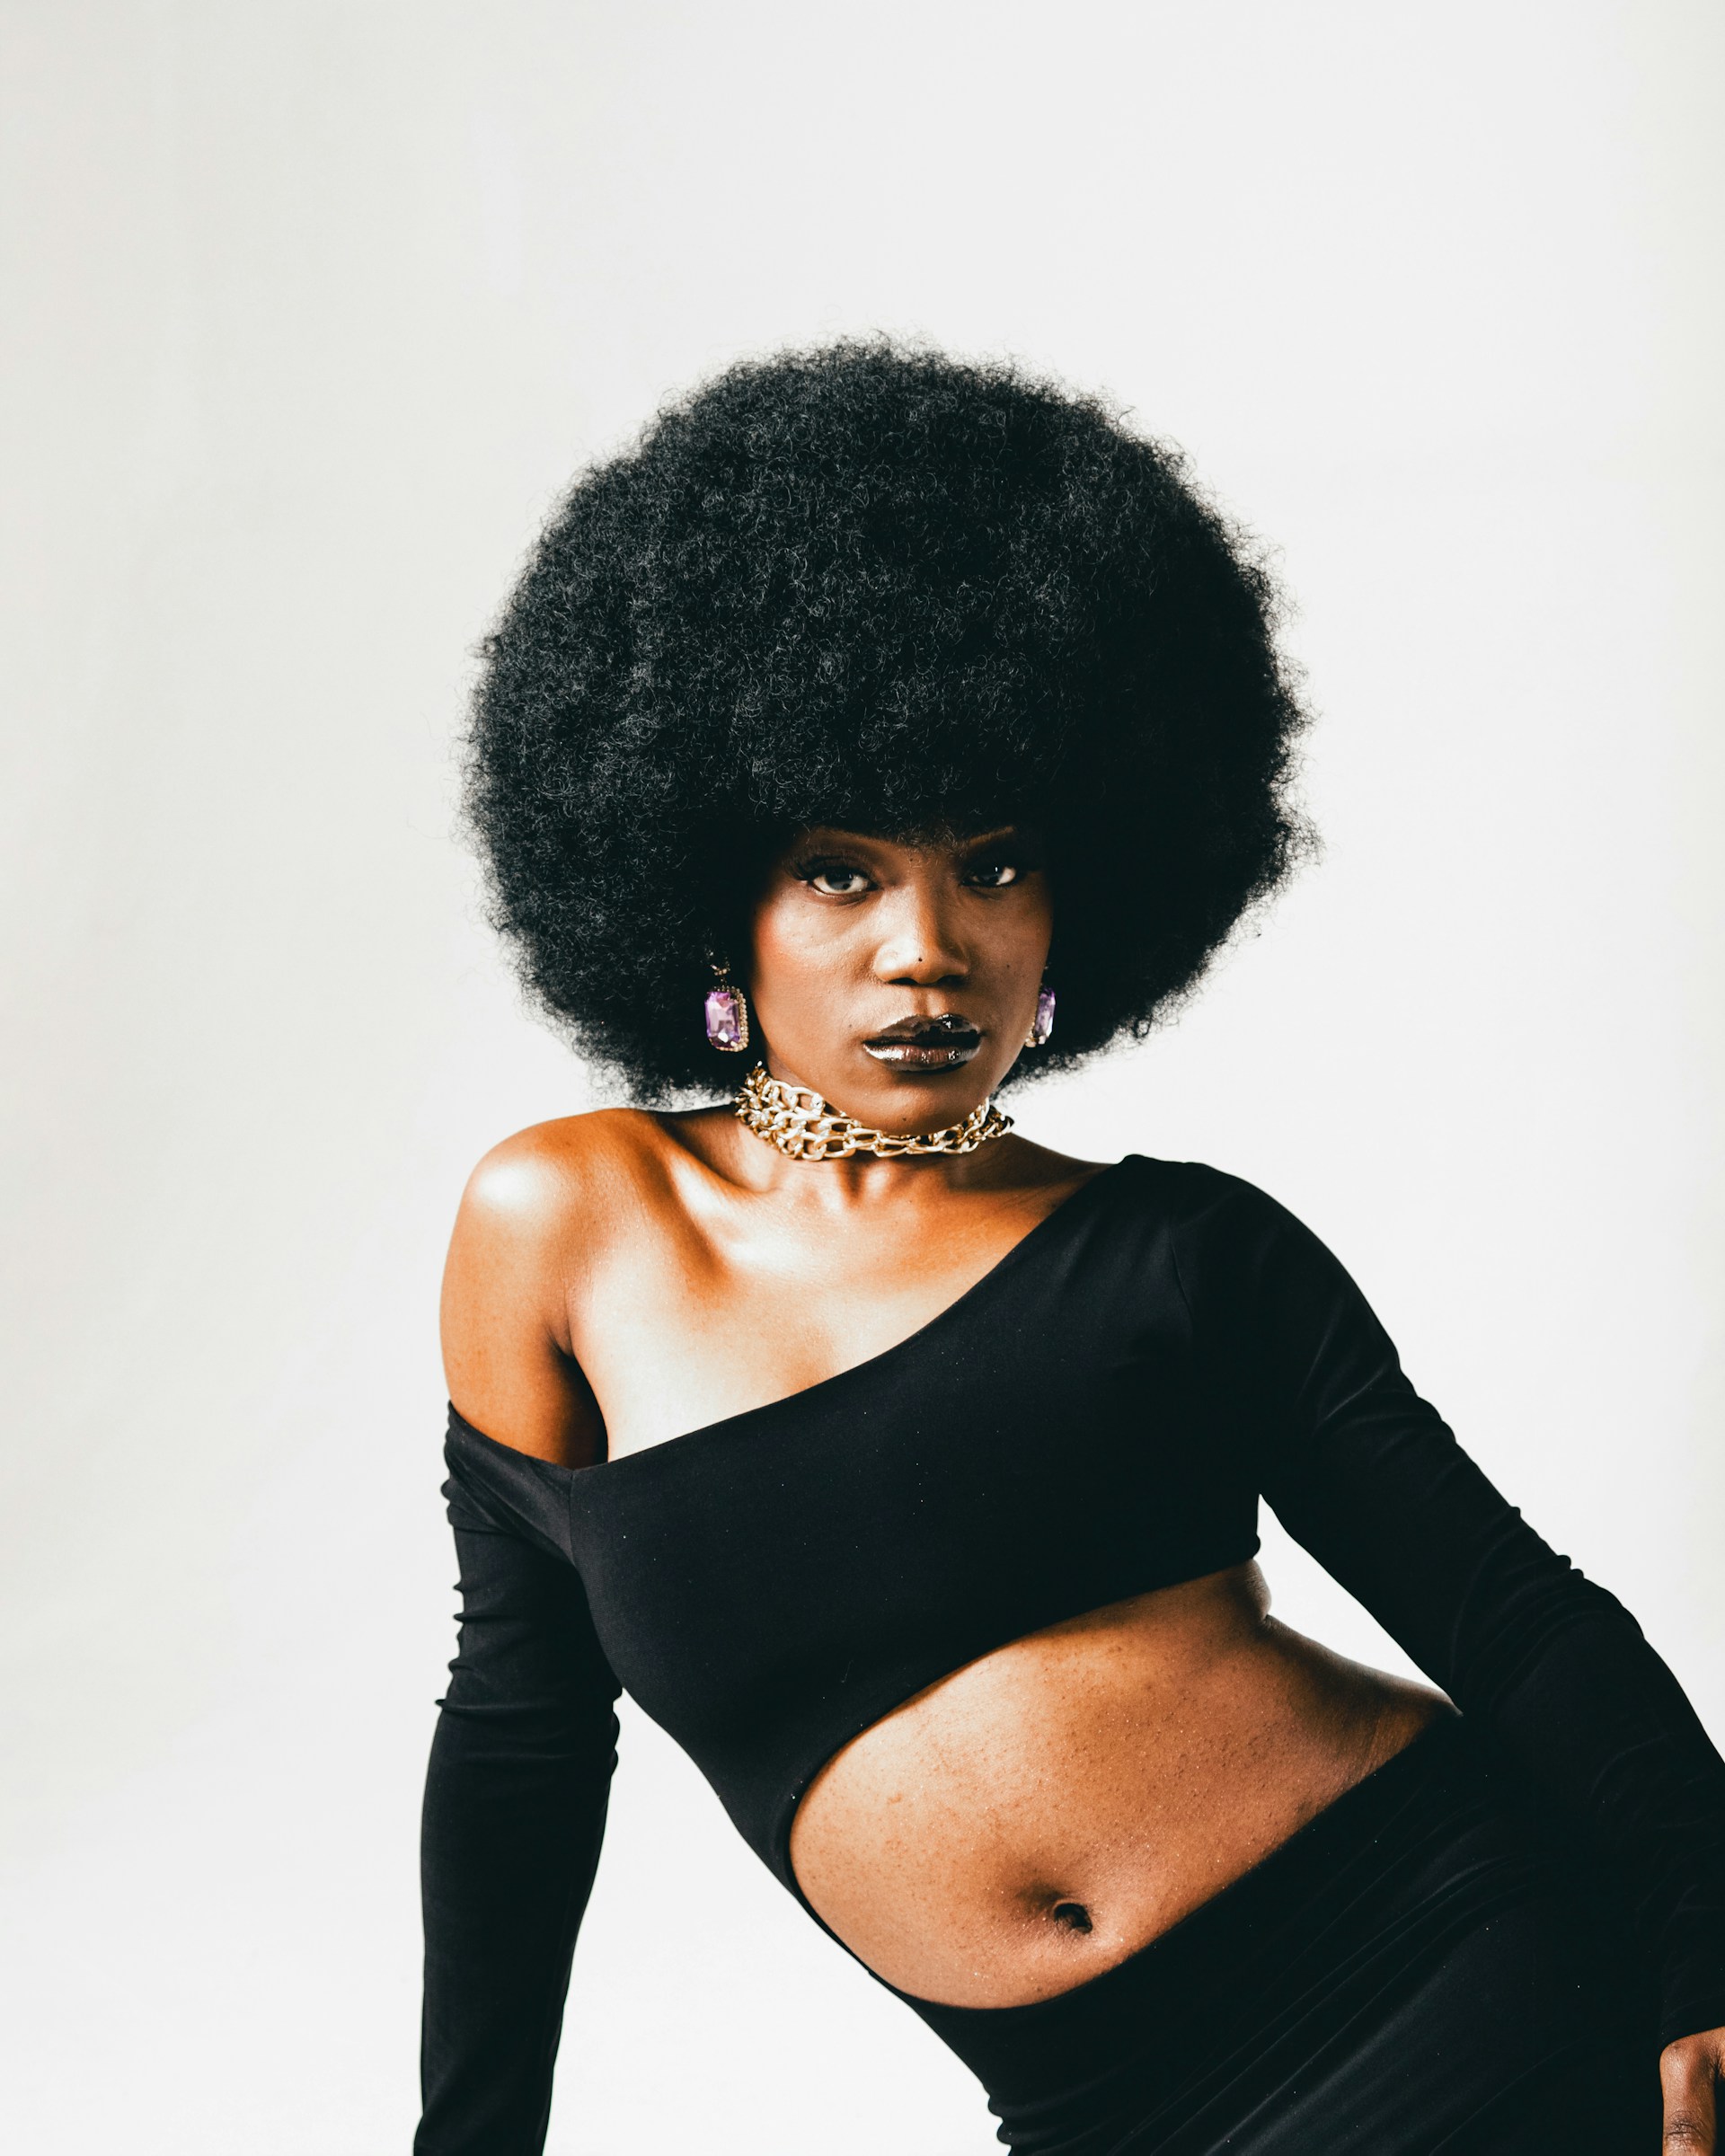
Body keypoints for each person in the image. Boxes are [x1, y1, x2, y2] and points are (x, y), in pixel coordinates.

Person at [415, 341, 1725, 2154]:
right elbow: (523, 1734)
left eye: (997, 863)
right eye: (843, 869)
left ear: (1083, 900)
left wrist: (1705, 1954)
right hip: (1098, 2108)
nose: (929, 947)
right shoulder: (558, 1223)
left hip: (1461, 1971)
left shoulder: (1184, 1256)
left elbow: (1512, 1618)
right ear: (711, 894)